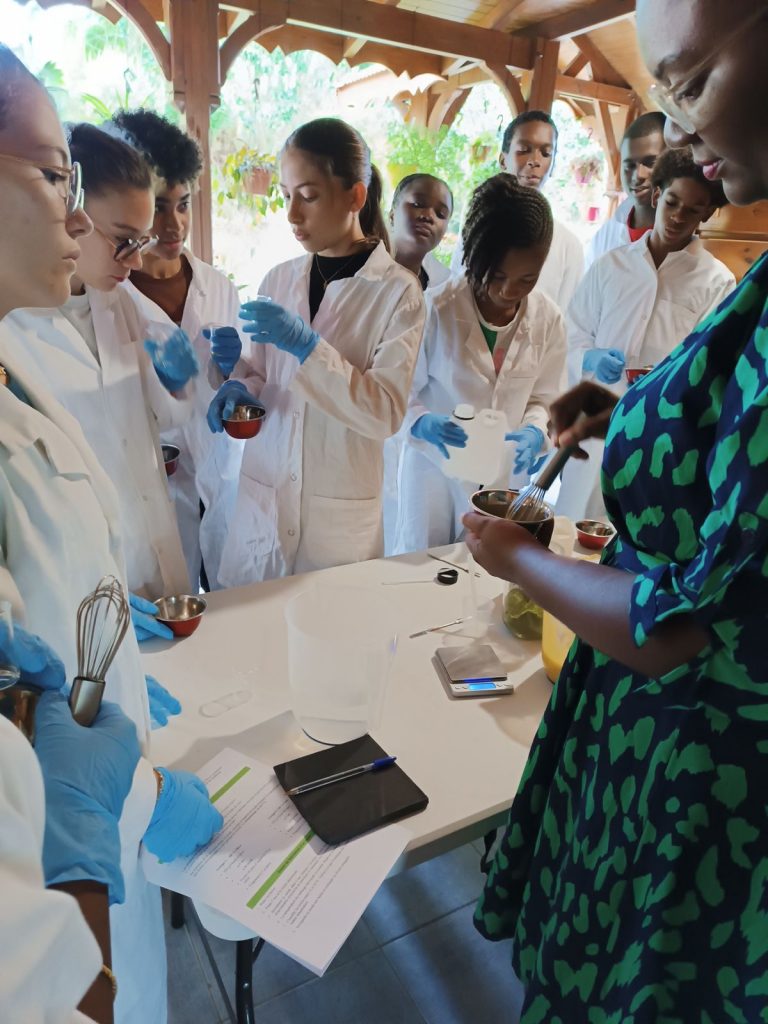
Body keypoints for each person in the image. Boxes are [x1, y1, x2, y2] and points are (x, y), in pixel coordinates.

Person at [460, 0, 768, 1017]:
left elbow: (679, 625)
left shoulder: (728, 278)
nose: (675, 130)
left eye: (692, 81)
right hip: (649, 746)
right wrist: (626, 411)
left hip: (697, 787)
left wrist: (519, 559)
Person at [0, 49, 223, 1023]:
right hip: (55, 878)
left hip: (98, 730)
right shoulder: (28, 332)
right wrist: (128, 796)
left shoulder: (17, 356)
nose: (77, 220)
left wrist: (113, 631)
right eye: (56, 177)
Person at [207, 117, 425, 583]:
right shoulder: (278, 279)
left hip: (337, 518)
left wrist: (309, 348)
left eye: (308, 196)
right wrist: (237, 379)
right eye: (286, 195)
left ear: (354, 196)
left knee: (330, 623)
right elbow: (266, 379)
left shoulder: (398, 292)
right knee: (255, 622)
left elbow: (384, 413)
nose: (292, 214)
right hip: (267, 500)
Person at [5, 123, 193, 657]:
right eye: (123, 239)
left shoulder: (122, 302)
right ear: (71, 212)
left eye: (142, 241)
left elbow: (161, 420)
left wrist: (179, 384)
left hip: (157, 555)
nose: (135, 261)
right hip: (80, 586)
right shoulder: (13, 325)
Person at [557, 145, 735, 520]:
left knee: (631, 532)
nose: (677, 217)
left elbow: (708, 367)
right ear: (656, 195)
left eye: (692, 210)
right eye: (672, 202)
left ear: (708, 213)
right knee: (569, 525)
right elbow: (571, 334)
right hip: (592, 423)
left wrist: (665, 379)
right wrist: (589, 357)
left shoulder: (716, 283)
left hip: (657, 437)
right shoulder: (610, 266)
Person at [394, 173, 567, 552]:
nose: (508, 291)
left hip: (503, 480)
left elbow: (543, 398)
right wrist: (421, 423)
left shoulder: (548, 320)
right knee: (421, 569)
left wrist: (535, 430)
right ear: (474, 255)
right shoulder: (434, 309)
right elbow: (399, 393)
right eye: (497, 275)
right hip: (434, 476)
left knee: (489, 570)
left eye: (527, 279)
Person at [111, 109, 244, 591]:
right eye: (160, 207)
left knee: (233, 596)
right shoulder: (111, 297)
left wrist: (235, 371)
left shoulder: (218, 287)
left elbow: (239, 383)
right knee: (171, 602)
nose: (174, 225)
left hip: (220, 476)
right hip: (153, 486)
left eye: (183, 205)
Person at [451, 111, 584, 311]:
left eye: (546, 153)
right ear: (503, 159)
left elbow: (565, 317)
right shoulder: (478, 227)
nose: (535, 160)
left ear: (553, 164)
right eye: (524, 150)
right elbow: (457, 292)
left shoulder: (568, 246)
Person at [584, 110, 667, 270]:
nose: (638, 175)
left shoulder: (684, 232)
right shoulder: (606, 236)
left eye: (650, 163)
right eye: (629, 165)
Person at [389, 172, 454, 290]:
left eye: (440, 214)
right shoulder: (360, 263)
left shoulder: (443, 287)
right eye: (417, 204)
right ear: (392, 215)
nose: (429, 216)